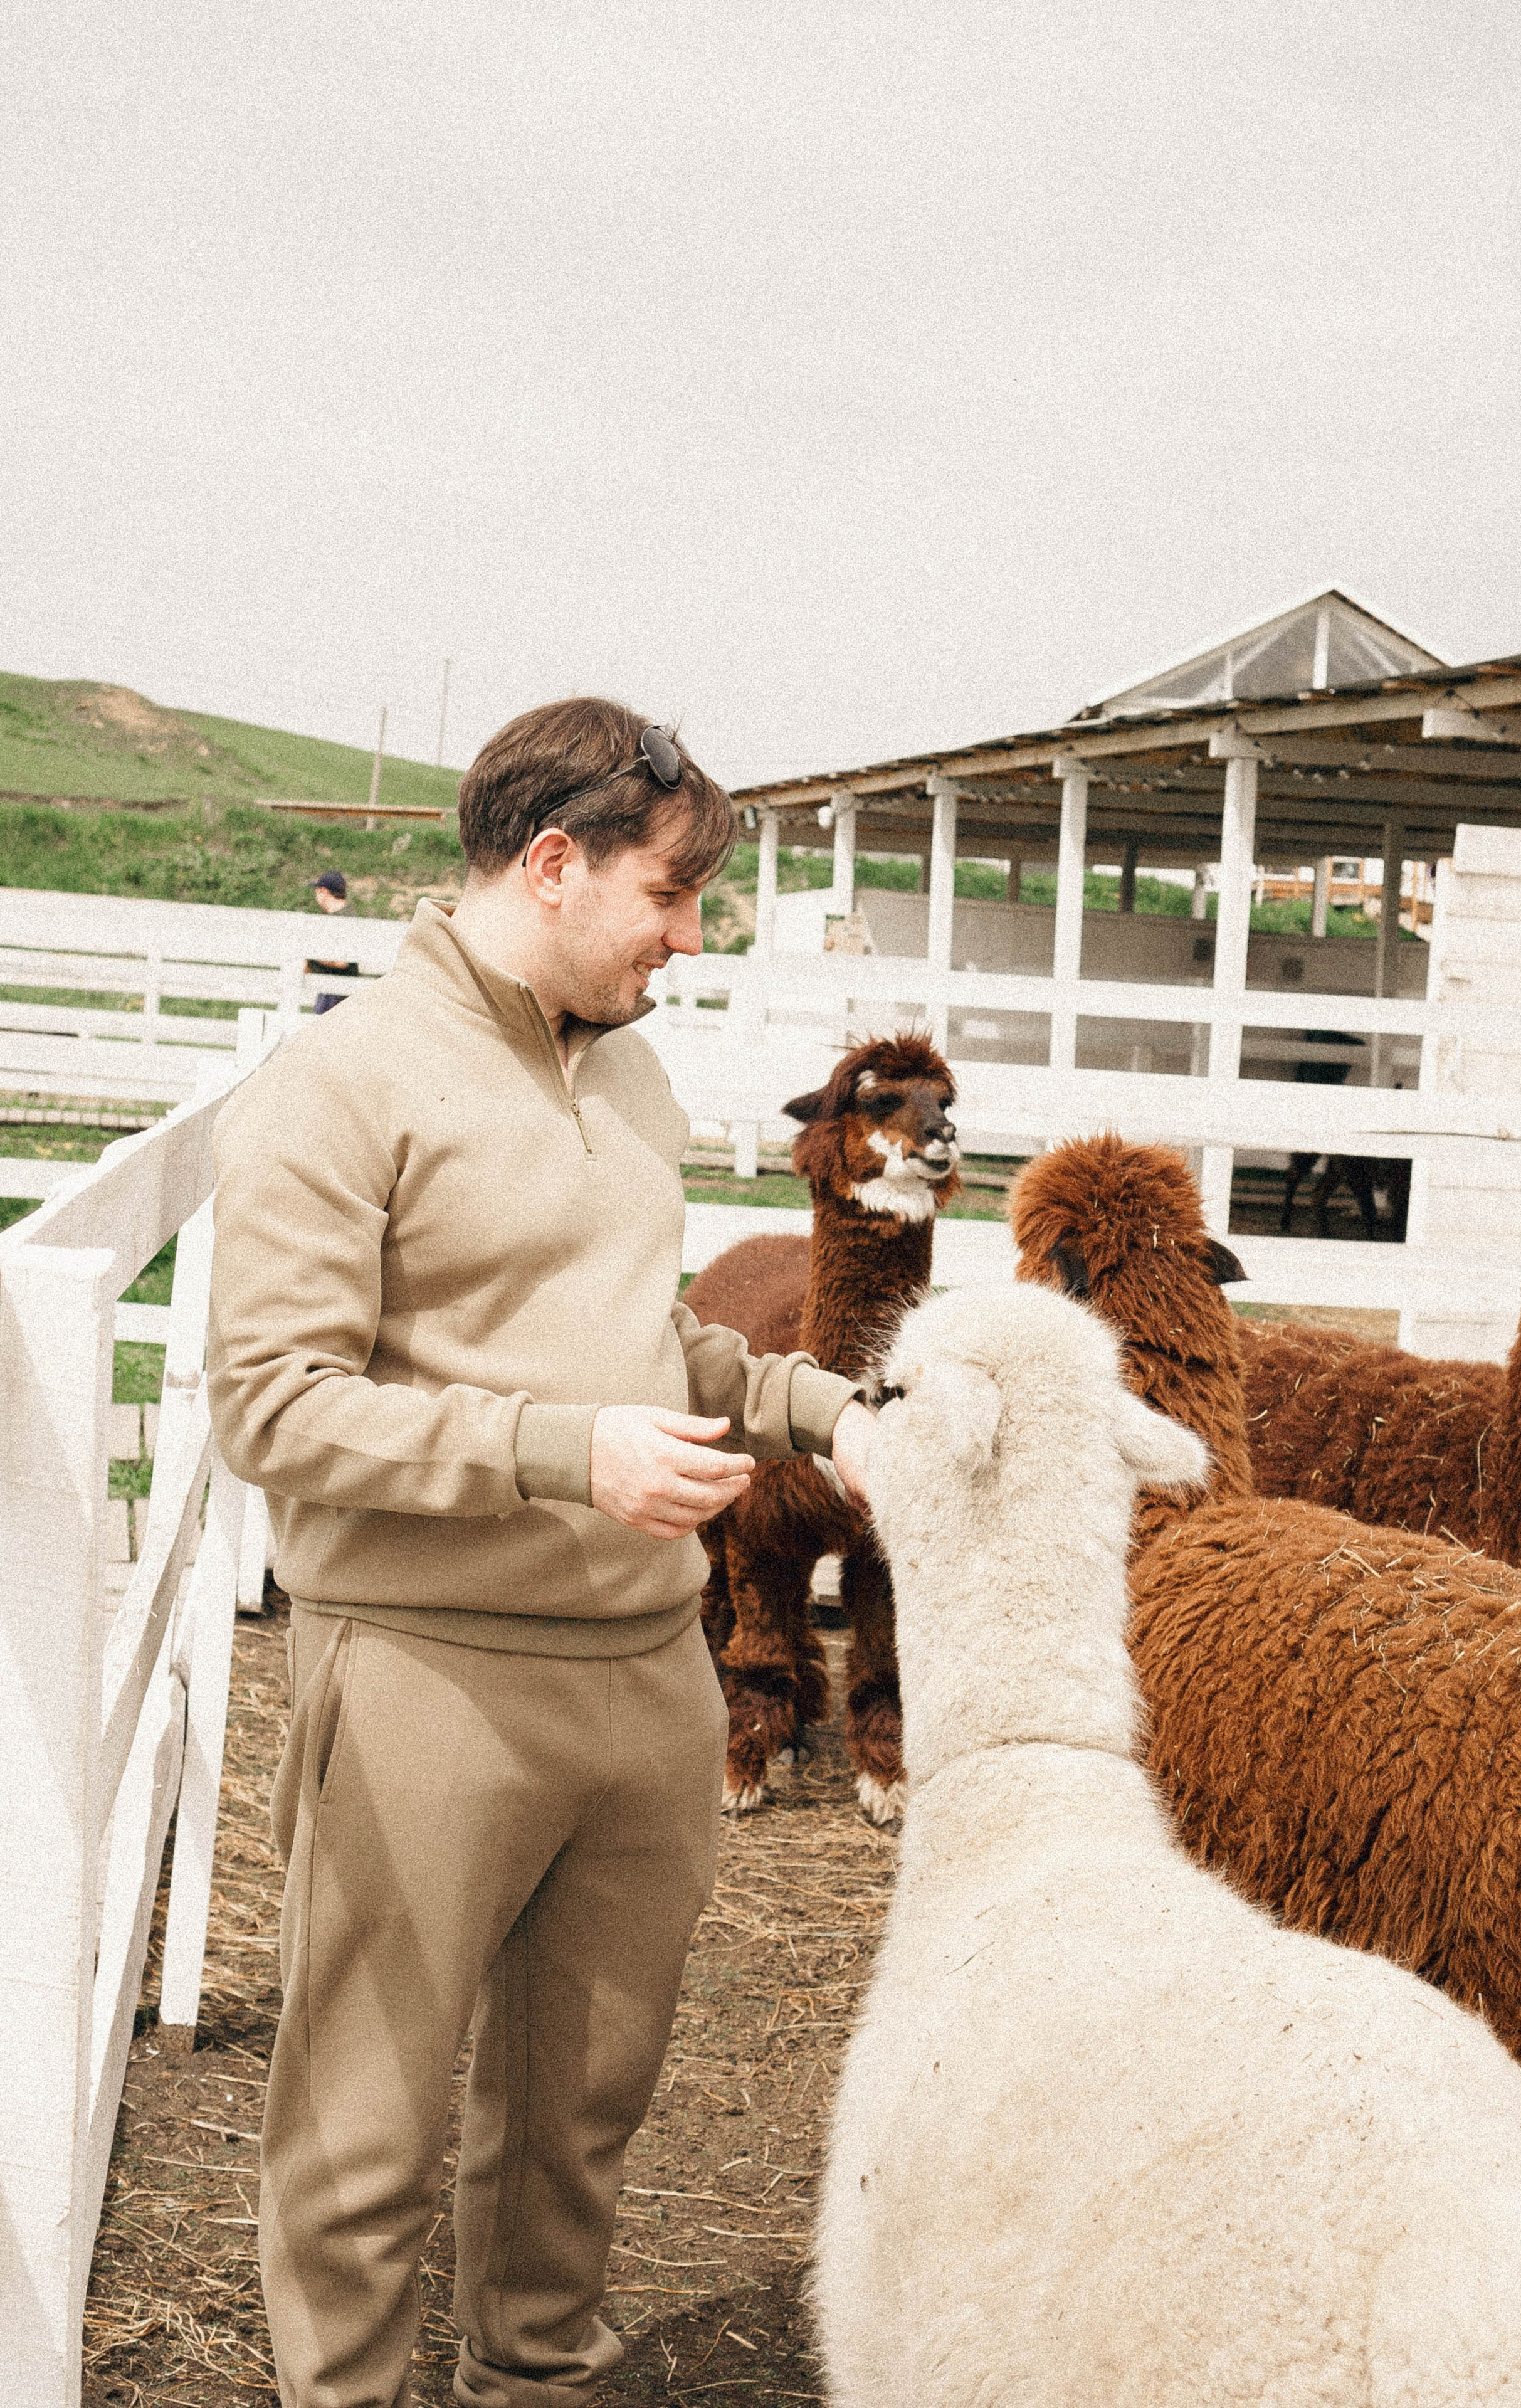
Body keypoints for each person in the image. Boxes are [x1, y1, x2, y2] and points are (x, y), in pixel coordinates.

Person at [208, 699, 876, 2408]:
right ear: (554, 863)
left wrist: (826, 1408)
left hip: (642, 1679)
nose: (689, 936)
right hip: (433, 1671)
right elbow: (274, 1409)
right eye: (670, 895)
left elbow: (637, 1340)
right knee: (363, 2129)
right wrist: (556, 1452)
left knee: (584, 2112)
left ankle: (538, 2382)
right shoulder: (338, 1087)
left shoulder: (628, 1068)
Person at [306, 866, 358, 1011]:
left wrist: (310, 956)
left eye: (317, 892)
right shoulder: (345, 916)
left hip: (337, 993)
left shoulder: (342, 920)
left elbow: (341, 962)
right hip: (334, 990)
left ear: (324, 892)